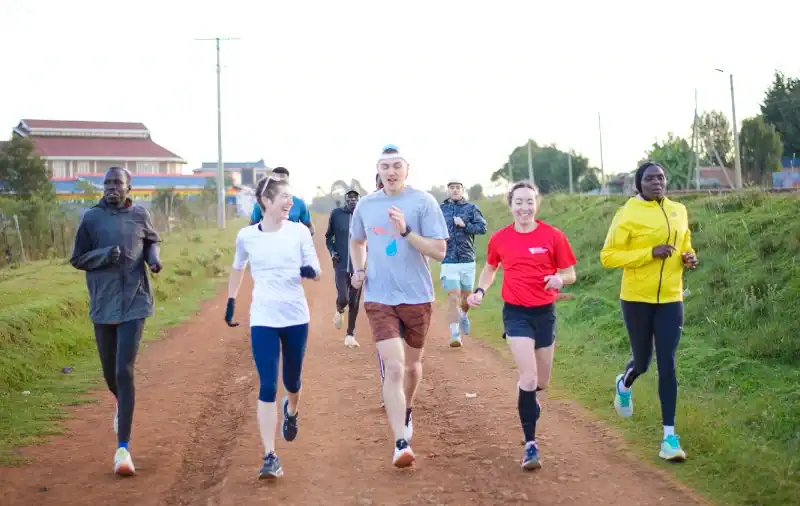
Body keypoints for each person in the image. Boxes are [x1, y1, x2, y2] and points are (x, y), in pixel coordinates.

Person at [467, 181, 577, 471]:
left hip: (545, 313)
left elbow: (570, 273)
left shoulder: (553, 236)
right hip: (515, 314)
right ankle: (530, 445)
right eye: (519, 202)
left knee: (541, 382)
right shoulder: (501, 239)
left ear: (537, 203)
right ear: (510, 204)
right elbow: (491, 268)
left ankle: (528, 398)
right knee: (528, 378)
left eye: (529, 202)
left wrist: (559, 280)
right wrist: (479, 292)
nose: (524, 207)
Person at [350, 146, 449, 468]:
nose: (390, 171)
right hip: (379, 297)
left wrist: (406, 230)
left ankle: (407, 410)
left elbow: (439, 252)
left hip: (418, 296)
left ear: (407, 169)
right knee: (393, 367)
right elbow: (357, 240)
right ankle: (400, 442)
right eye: (384, 166)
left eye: (396, 166)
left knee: (411, 368)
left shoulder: (423, 202)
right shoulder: (365, 204)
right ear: (377, 171)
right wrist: (359, 268)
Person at [225, 174, 322, 479]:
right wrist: (231, 300)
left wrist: (310, 271)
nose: (289, 203)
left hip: (295, 317)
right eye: (284, 198)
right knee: (268, 383)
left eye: (290, 199)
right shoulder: (246, 236)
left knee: (292, 381)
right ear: (266, 201)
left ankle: (291, 411)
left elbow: (317, 270)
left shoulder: (299, 233)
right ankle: (270, 454)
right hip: (263, 319)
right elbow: (238, 267)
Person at [600, 161, 697, 462]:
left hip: (671, 298)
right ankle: (624, 383)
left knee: (667, 362)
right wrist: (649, 253)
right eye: (650, 178)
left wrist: (689, 257)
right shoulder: (627, 213)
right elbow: (608, 256)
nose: (657, 183)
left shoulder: (679, 210)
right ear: (639, 184)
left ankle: (669, 437)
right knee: (643, 362)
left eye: (661, 178)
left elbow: (686, 242)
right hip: (636, 299)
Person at [69, 166, 162, 477]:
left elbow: (151, 241)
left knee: (124, 369)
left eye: (117, 182)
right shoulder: (91, 219)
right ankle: (122, 406)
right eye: (107, 182)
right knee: (110, 372)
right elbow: (77, 258)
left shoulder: (140, 214)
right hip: (103, 303)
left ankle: (123, 449)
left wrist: (153, 259)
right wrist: (105, 255)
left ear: (128, 186)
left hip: (135, 302)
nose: (111, 187)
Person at [439, 177, 487, 347]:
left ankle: (464, 316)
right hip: (448, 260)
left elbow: (482, 228)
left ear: (462, 190)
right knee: (453, 296)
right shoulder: (441, 209)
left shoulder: (471, 208)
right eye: (452, 187)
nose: (455, 190)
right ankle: (455, 335)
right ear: (448, 191)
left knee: (466, 298)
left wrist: (465, 225)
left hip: (467, 260)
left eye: (458, 187)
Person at [325, 188, 363, 348]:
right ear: (346, 200)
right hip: (340, 263)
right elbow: (328, 237)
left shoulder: (364, 215)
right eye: (350, 197)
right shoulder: (336, 214)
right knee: (344, 297)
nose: (353, 200)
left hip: (359, 265)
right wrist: (332, 252)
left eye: (356, 197)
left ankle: (350, 334)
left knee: (354, 300)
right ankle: (340, 309)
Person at [249, 166, 314, 236]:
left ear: (288, 182)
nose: (279, 183)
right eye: (276, 180)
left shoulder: (300, 203)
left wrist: (300, 238)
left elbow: (310, 228)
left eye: (282, 181)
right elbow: (252, 228)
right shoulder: (261, 203)